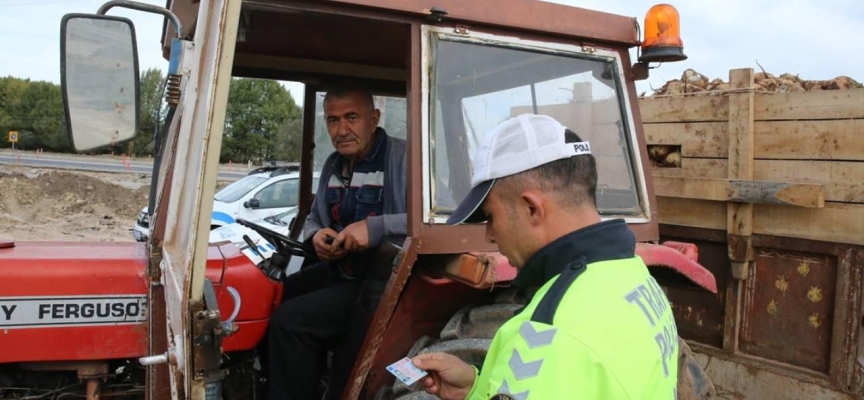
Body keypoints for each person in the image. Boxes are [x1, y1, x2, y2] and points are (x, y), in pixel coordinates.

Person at [412, 114, 679, 399]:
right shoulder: (633, 276)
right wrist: (477, 389)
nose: (489, 235)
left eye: (490, 216)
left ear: (531, 209)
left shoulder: (550, 333)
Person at [268, 88, 407, 400]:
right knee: (270, 297)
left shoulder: (402, 159)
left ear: (374, 119)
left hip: (379, 283)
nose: (341, 130)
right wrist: (316, 235)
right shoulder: (334, 163)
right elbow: (316, 218)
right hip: (339, 269)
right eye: (333, 120)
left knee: (290, 321)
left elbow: (436, 219)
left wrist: (376, 228)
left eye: (351, 118)